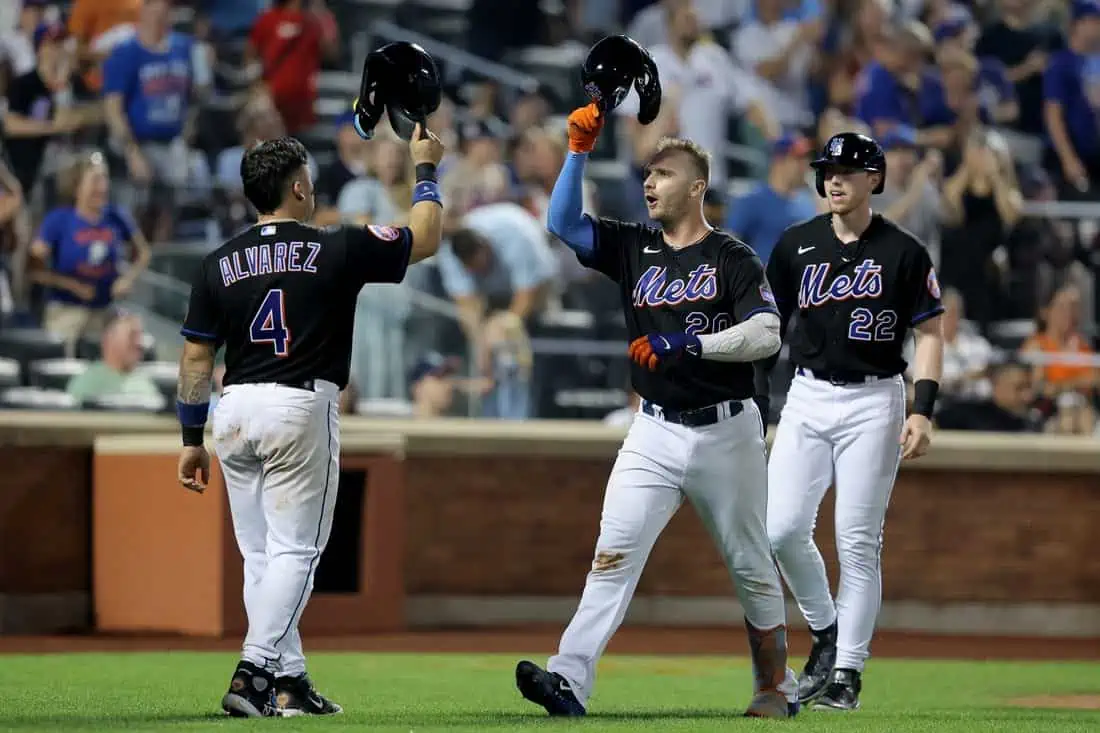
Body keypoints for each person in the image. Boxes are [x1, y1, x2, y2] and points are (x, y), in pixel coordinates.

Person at [512, 100, 799, 718]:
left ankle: (775, 686)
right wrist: (577, 153)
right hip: (655, 430)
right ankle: (568, 680)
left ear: (697, 186)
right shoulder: (633, 245)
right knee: (612, 553)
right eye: (647, 172)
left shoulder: (732, 257)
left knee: (750, 564)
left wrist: (694, 341)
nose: (649, 181)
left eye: (663, 173)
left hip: (727, 429)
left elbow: (767, 334)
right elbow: (564, 224)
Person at [174, 124, 445, 716]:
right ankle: (254, 672)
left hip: (234, 409)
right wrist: (425, 169)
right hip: (298, 403)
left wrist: (191, 437)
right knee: (297, 553)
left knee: (262, 558)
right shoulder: (335, 245)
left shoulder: (218, 262)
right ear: (298, 187)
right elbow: (425, 239)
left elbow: (196, 357)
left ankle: (291, 680)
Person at [755, 132, 945, 711]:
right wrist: (760, 404)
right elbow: (768, 329)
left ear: (875, 179)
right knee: (781, 530)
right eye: (827, 170)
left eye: (846, 169)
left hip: (874, 398)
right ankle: (827, 630)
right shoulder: (795, 244)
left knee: (857, 542)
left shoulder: (905, 250)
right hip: (808, 397)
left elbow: (930, 332)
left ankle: (847, 674)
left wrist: (924, 409)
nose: (833, 179)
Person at [29, 151, 151, 356]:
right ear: (77, 186)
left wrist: (127, 279)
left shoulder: (116, 216)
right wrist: (73, 286)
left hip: (104, 311)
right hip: (67, 311)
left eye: (104, 179)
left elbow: (143, 252)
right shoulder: (59, 220)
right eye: (95, 180)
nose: (102, 187)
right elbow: (34, 269)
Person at [65, 310, 160, 404]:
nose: (138, 343)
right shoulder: (85, 384)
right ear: (108, 339)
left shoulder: (145, 384)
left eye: (140, 336)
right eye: (132, 336)